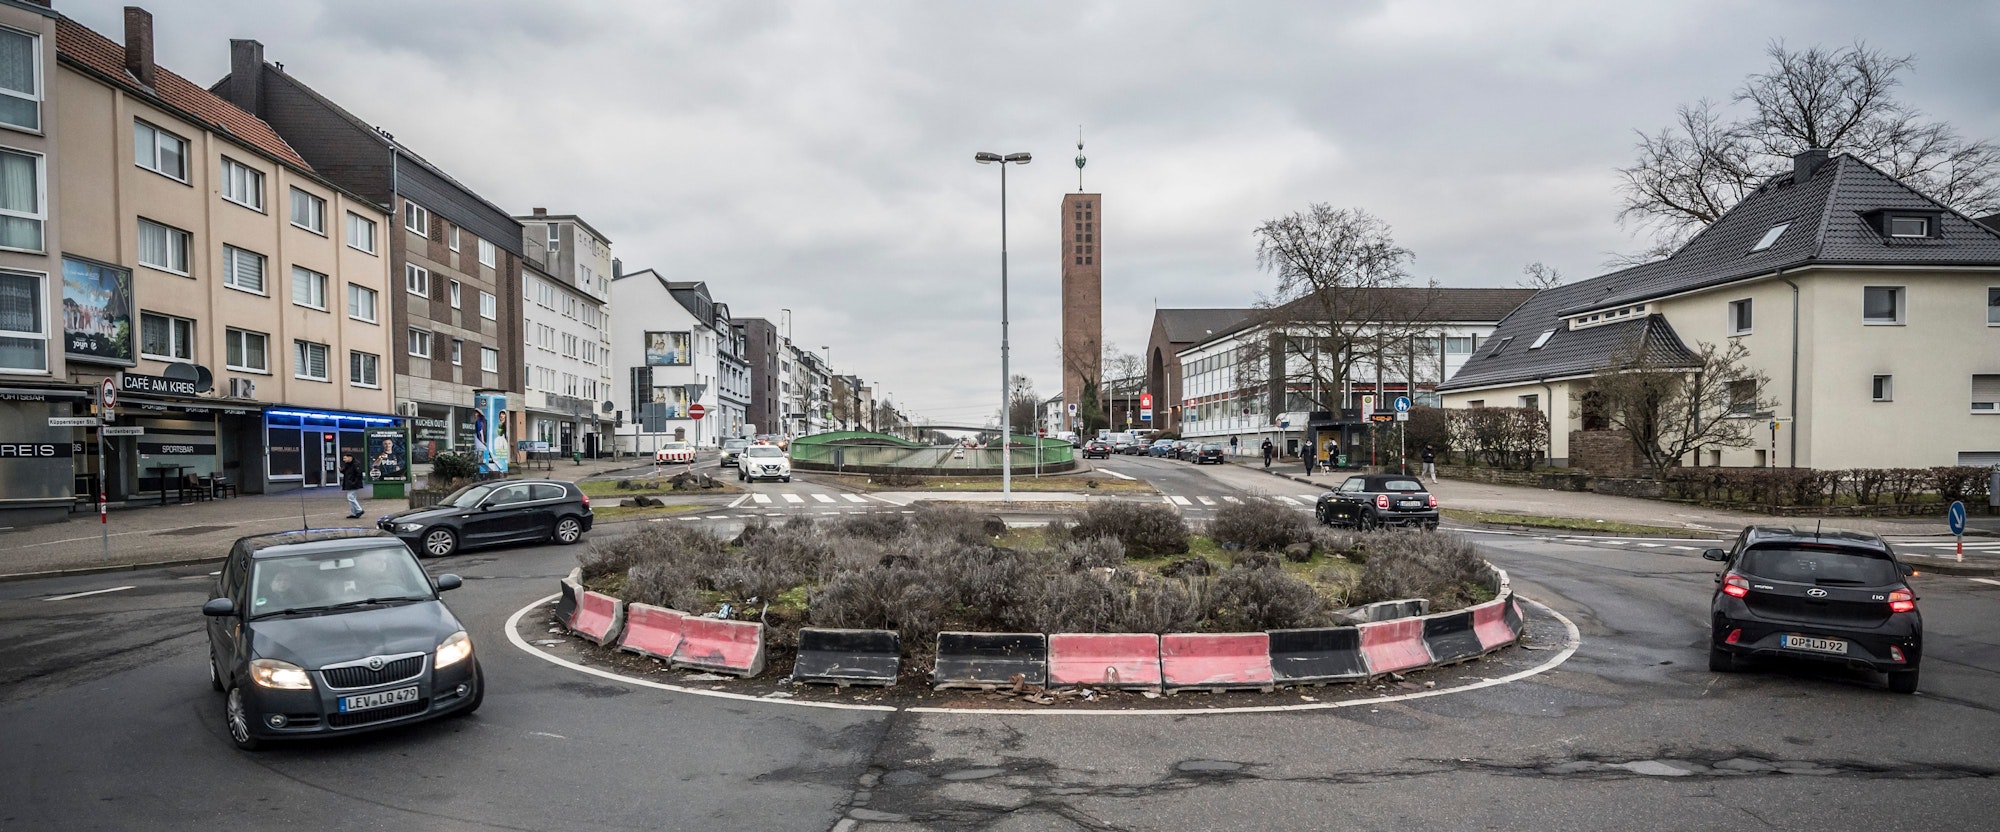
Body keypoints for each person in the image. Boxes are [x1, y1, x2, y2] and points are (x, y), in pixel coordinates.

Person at [339, 453, 365, 518]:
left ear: (349, 457)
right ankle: (354, 512)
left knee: (350, 497)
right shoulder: (347, 464)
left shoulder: (356, 464)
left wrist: (354, 482)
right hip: (349, 483)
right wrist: (341, 471)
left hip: (354, 483)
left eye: (345, 458)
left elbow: (359, 474)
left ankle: (359, 510)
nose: (344, 460)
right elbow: (346, 472)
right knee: (352, 497)